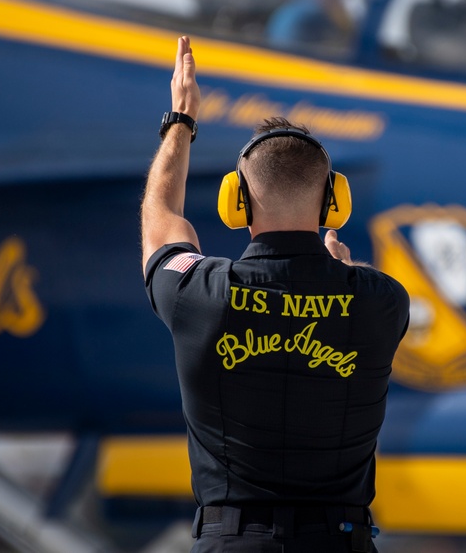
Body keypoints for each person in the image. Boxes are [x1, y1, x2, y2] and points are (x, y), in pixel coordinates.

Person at [140, 36, 410, 552]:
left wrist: (181, 122)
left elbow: (161, 223)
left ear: (235, 202)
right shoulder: (382, 301)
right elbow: (352, 300)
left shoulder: (200, 292)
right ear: (335, 203)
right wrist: (343, 274)